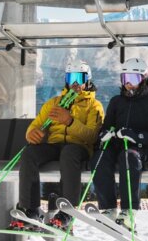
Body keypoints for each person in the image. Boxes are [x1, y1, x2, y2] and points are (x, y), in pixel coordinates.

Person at [10, 60, 104, 230]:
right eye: (71, 77)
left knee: (68, 152)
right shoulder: (55, 103)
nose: (75, 83)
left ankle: (67, 210)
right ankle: (31, 208)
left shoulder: (94, 106)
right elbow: (37, 124)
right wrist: (32, 133)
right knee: (30, 153)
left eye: (79, 78)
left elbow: (92, 136)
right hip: (55, 145)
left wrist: (70, 121)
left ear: (87, 80)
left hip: (79, 147)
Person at [93, 57, 148, 231]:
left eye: (133, 79)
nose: (128, 84)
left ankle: (129, 211)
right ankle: (109, 208)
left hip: (143, 150)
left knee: (129, 157)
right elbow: (107, 126)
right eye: (125, 79)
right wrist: (105, 134)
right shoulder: (116, 101)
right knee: (100, 157)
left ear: (143, 79)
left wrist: (136, 136)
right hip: (119, 147)